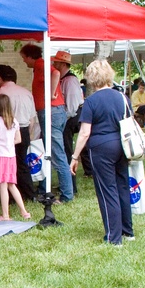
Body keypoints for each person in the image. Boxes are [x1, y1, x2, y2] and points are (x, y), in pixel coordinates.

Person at [69, 60, 134, 245]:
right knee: (122, 186)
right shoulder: (123, 97)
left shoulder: (90, 101)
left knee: (107, 190)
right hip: (121, 144)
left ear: (91, 79)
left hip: (101, 147)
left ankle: (114, 237)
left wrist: (74, 157)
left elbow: (84, 132)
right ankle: (127, 231)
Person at [19, 43, 74, 203]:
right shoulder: (39, 66)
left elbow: (56, 73)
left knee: (57, 153)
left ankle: (66, 195)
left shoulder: (41, 64)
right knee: (48, 151)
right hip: (52, 112)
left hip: (51, 112)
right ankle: (44, 187)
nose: (24, 61)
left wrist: (51, 94)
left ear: (30, 56)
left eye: (24, 58)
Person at [0, 64, 36, 201]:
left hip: (2, 132)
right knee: (21, 163)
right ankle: (28, 194)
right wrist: (29, 133)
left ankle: (9, 195)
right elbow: (32, 118)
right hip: (22, 130)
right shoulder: (26, 93)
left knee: (5, 165)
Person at [0, 94, 31, 222]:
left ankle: (5, 215)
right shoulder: (14, 121)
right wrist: (9, 143)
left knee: (3, 185)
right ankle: (24, 211)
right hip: (11, 156)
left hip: (0, 156)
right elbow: (18, 139)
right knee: (11, 184)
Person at [53, 50, 84, 194]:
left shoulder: (70, 80)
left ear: (63, 64)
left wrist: (62, 119)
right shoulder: (63, 79)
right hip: (68, 117)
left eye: (56, 62)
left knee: (66, 152)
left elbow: (72, 106)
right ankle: (67, 184)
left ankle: (71, 186)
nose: (54, 63)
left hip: (70, 118)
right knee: (64, 151)